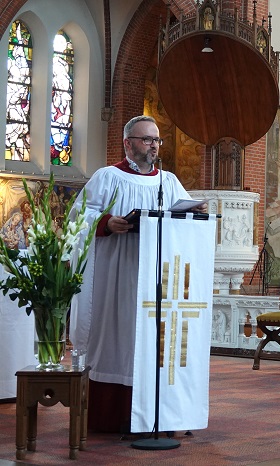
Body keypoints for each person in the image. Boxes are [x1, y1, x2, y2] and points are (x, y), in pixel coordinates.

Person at [70, 115, 205, 434]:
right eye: (146, 140)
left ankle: (156, 418)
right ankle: (110, 417)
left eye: (157, 140)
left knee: (152, 344)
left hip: (156, 278)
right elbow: (78, 217)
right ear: (127, 142)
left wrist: (192, 214)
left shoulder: (168, 182)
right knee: (117, 340)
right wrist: (106, 223)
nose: (153, 146)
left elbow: (179, 218)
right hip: (116, 274)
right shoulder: (107, 177)